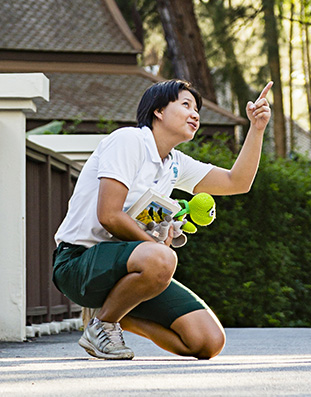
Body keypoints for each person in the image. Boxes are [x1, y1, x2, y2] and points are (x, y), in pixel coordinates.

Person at [52, 79, 272, 360]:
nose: (195, 114)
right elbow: (108, 215)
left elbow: (236, 181)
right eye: (185, 105)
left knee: (208, 342)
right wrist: (157, 250)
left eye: (197, 109)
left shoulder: (175, 163)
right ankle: (102, 325)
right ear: (158, 111)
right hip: (77, 263)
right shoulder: (129, 140)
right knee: (162, 259)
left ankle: (119, 314)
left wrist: (257, 128)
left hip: (128, 270)